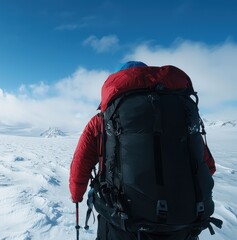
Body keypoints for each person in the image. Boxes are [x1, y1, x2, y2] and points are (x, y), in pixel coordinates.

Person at [69, 61, 217, 240]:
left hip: (123, 219)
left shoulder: (101, 120)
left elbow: (80, 164)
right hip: (182, 221)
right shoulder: (180, 113)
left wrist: (76, 195)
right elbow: (207, 166)